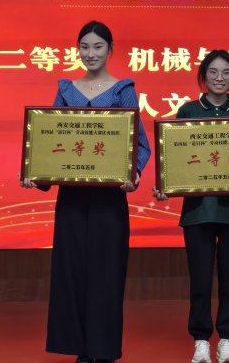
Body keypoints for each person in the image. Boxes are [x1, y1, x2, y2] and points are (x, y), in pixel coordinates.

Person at [20, 20, 151, 363]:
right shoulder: (66, 89)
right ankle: (80, 349)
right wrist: (35, 174)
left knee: (107, 273)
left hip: (109, 199)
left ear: (110, 50)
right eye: (84, 47)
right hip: (72, 198)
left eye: (97, 46)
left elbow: (139, 143)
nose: (90, 53)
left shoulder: (123, 89)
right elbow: (50, 139)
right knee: (72, 270)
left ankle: (103, 350)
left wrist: (134, 173)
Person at [153, 50, 229, 363]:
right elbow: (176, 159)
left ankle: (227, 340)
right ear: (203, 77)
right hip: (198, 212)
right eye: (213, 72)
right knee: (200, 280)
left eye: (226, 72)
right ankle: (201, 341)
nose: (220, 78)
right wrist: (165, 185)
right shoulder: (187, 111)